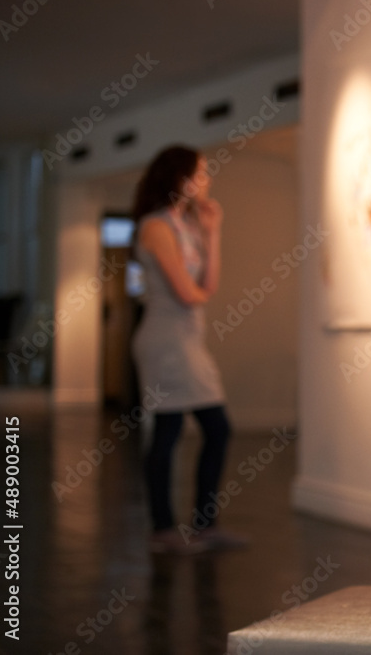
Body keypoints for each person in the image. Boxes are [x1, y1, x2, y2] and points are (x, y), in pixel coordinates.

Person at [131, 145, 245, 554]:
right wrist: (197, 291)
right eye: (200, 172)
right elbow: (187, 292)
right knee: (178, 429)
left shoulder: (188, 225)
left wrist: (213, 230)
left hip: (187, 339)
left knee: (201, 429)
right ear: (179, 178)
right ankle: (166, 528)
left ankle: (202, 524)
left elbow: (207, 286)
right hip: (165, 342)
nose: (207, 179)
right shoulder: (155, 227)